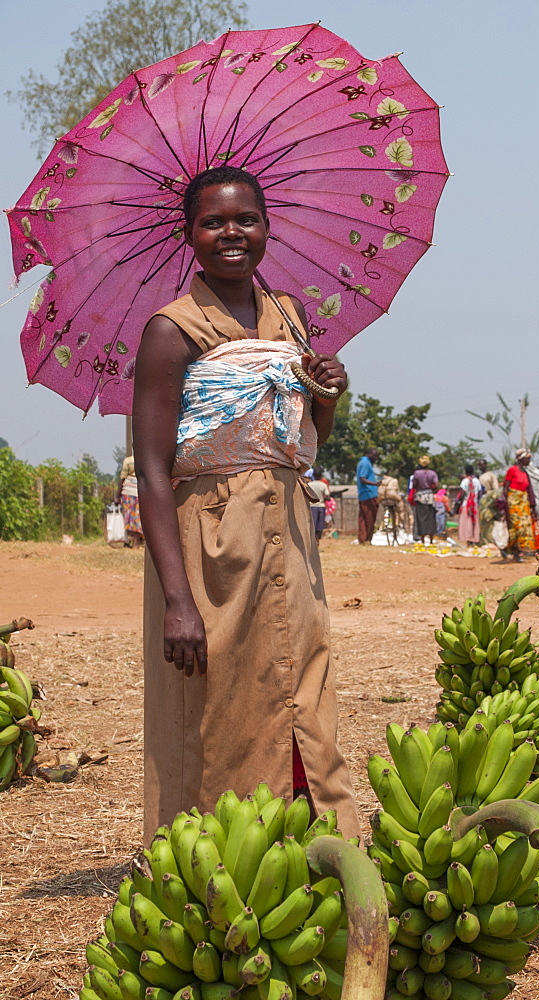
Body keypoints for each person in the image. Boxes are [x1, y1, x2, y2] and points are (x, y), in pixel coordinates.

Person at [133, 165, 360, 841]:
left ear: (267, 227)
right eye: (214, 221)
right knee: (218, 699)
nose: (232, 233)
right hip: (211, 539)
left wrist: (328, 392)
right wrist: (178, 600)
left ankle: (309, 845)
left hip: (288, 530)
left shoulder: (287, 316)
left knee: (300, 684)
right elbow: (150, 470)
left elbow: (305, 443)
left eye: (246, 219)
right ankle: (211, 854)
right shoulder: (171, 331)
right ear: (190, 234)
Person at [502, 448, 539, 561]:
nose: (529, 461)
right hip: (513, 503)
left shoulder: (525, 473)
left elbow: (529, 490)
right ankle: (513, 551)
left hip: (524, 503)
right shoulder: (512, 470)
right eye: (527, 459)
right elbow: (506, 488)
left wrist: (533, 506)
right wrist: (505, 504)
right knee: (516, 528)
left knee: (525, 527)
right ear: (521, 459)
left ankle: (518, 552)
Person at [117, 454, 143, 548]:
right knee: (137, 517)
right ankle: (136, 541)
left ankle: (128, 540)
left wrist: (117, 495)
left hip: (128, 492)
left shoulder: (128, 461)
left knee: (127, 517)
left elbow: (123, 477)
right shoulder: (144, 459)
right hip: (140, 491)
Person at [411, 455, 439, 544]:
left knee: (421, 518)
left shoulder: (416, 473)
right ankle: (431, 540)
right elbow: (436, 485)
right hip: (430, 496)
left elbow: (414, 485)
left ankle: (422, 540)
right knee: (431, 518)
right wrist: (431, 490)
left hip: (420, 497)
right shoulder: (432, 473)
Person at [356, 447, 380, 544]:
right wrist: (376, 484)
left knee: (363, 518)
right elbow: (362, 478)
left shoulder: (364, 462)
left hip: (363, 494)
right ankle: (367, 539)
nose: (375, 457)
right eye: (374, 455)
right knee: (370, 518)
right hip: (368, 494)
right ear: (369, 454)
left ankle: (362, 538)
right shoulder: (365, 463)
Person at [455, 464, 482, 545]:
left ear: (465, 472)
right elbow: (480, 493)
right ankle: (474, 539)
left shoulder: (464, 481)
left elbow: (461, 493)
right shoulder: (477, 481)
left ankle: (468, 541)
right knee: (474, 523)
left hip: (466, 505)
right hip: (475, 505)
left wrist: (457, 502)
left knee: (466, 523)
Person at [309, 466, 330, 543]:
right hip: (321, 506)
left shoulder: (310, 484)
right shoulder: (323, 485)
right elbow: (327, 496)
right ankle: (318, 537)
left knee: (312, 523)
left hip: (311, 506)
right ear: (321, 476)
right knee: (320, 523)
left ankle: (313, 538)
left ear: (313, 475)